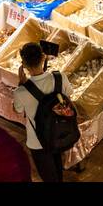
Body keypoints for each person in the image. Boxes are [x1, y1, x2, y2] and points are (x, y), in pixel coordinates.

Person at [12, 42, 72, 183]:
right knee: (57, 169)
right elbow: (69, 94)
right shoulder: (60, 78)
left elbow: (17, 110)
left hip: (37, 141)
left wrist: (22, 83)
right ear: (43, 57)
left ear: (24, 65)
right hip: (58, 133)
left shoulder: (21, 92)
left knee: (49, 176)